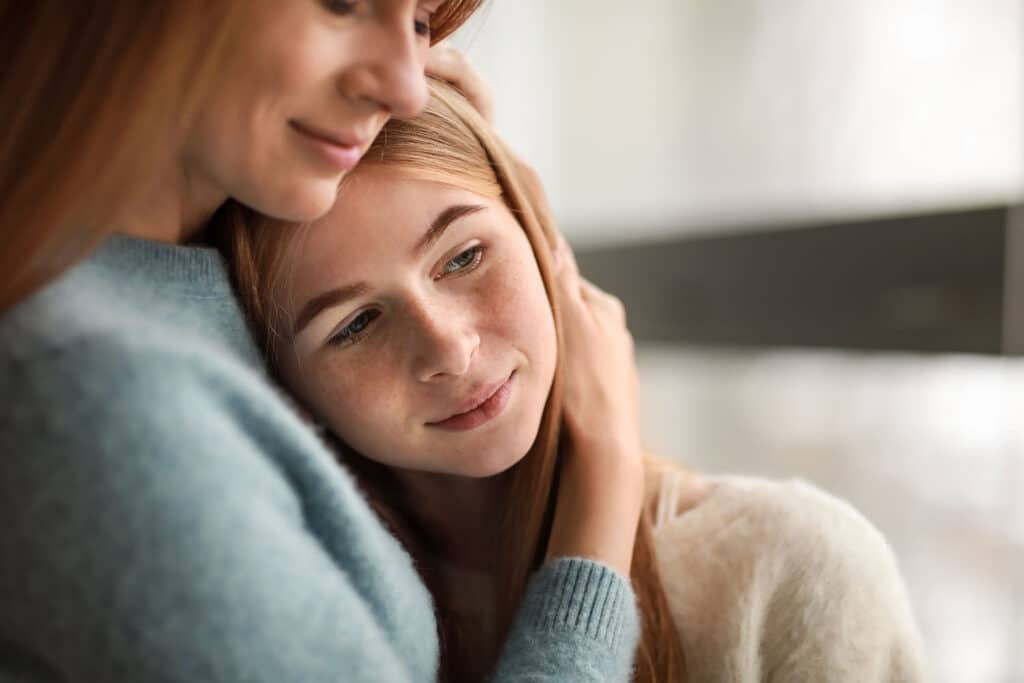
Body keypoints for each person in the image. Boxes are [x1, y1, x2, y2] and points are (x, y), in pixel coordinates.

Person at [0, 3, 649, 681]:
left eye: (421, 21)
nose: (407, 87)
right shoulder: (87, 399)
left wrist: (478, 169)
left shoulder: (201, 263)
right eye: (343, 3)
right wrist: (604, 487)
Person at [222, 78, 929, 682]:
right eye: (353, 325)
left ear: (540, 240)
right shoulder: (301, 612)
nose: (449, 346)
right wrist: (608, 465)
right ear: (287, 389)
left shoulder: (792, 568)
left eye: (464, 255)